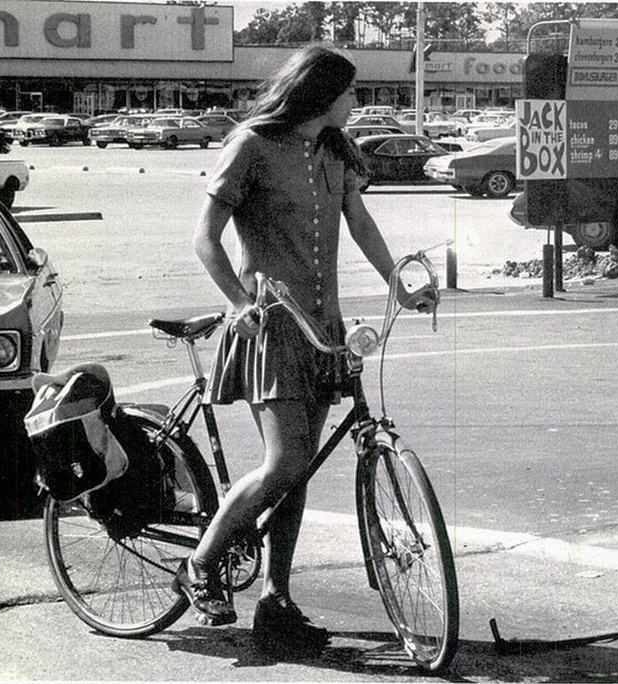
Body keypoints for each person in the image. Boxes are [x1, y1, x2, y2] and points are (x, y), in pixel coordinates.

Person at [183, 45, 434, 654]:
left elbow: (361, 222)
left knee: (300, 471)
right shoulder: (250, 145)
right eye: (351, 92)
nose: (358, 102)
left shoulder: (335, 150)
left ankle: (276, 599)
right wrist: (238, 303)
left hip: (325, 327)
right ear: (321, 94)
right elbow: (204, 239)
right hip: (270, 327)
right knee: (284, 462)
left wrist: (397, 282)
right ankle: (201, 562)